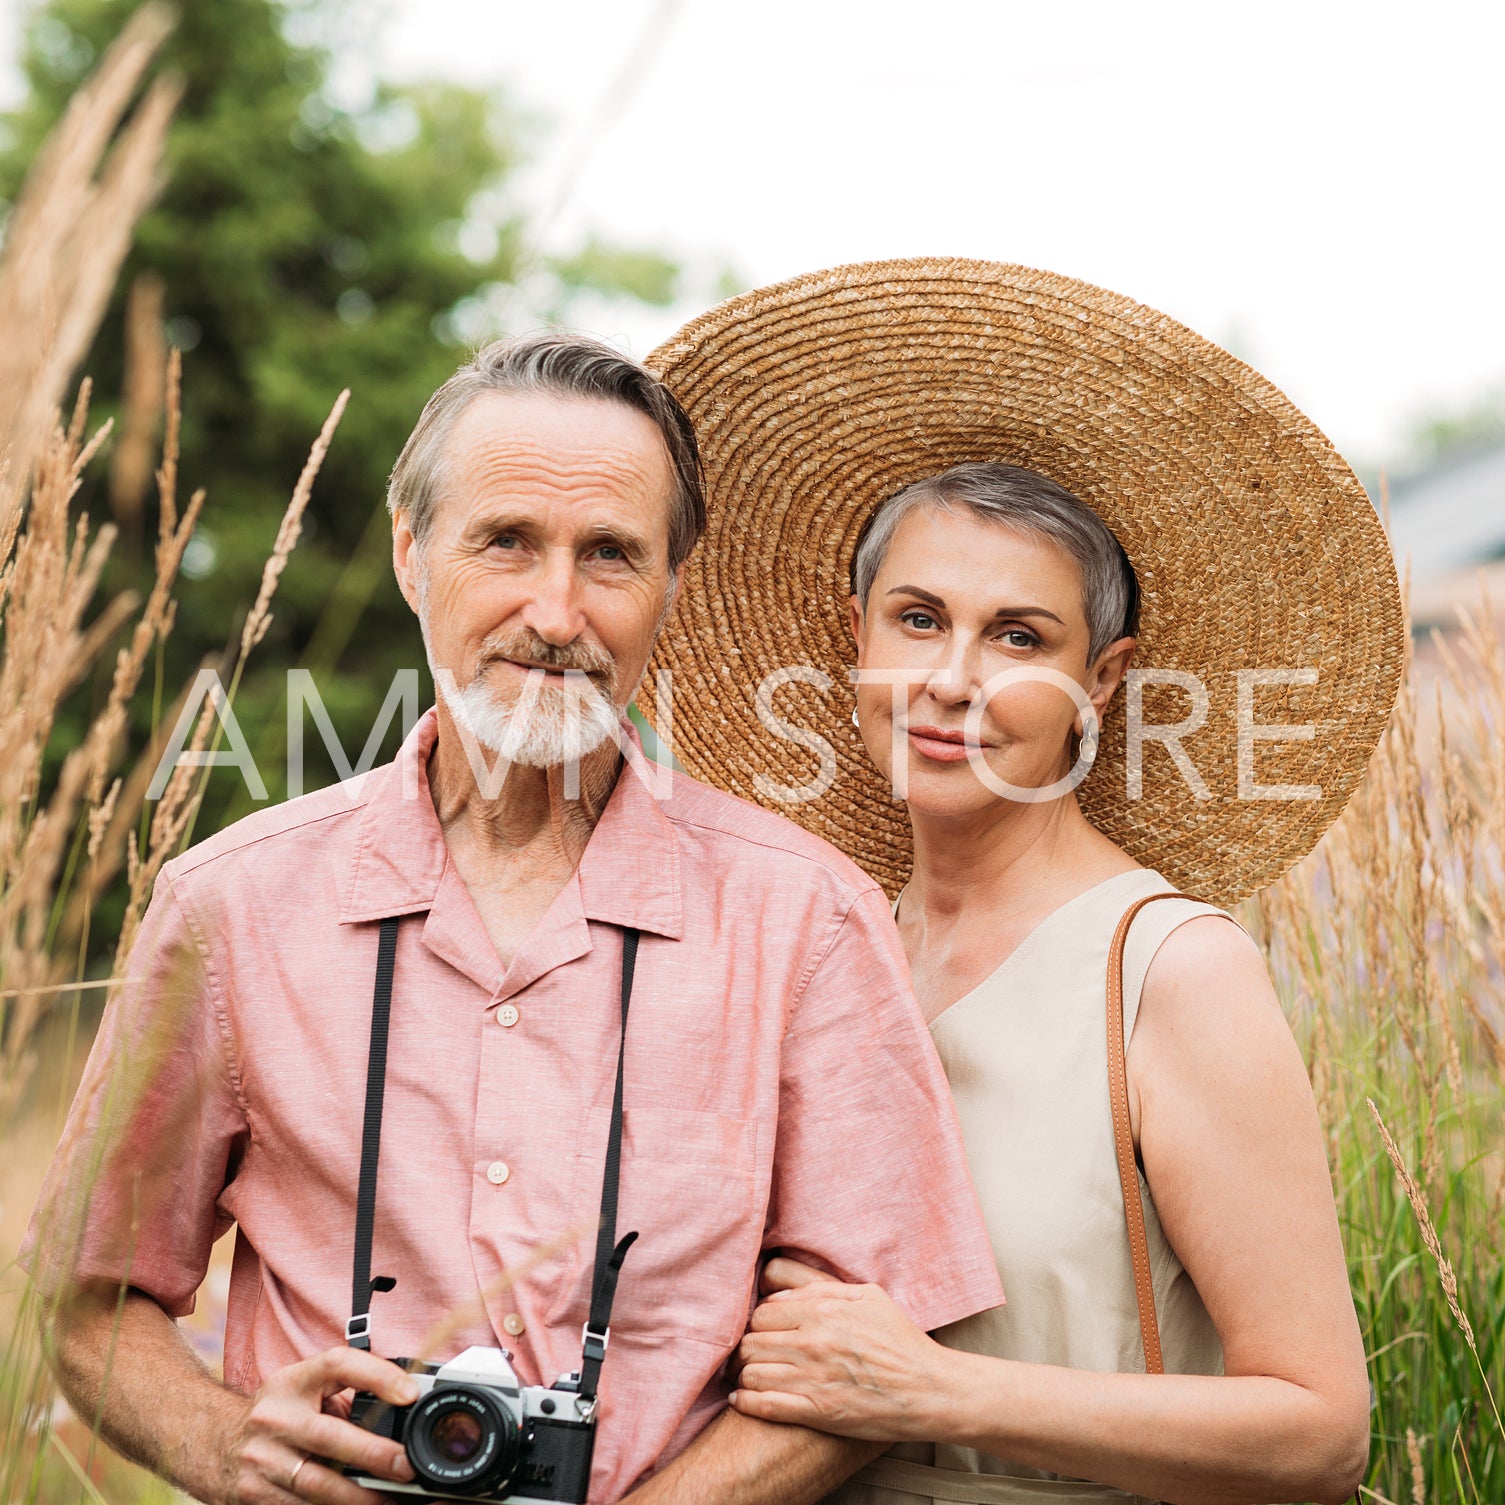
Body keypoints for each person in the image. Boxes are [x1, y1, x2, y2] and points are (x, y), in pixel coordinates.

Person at [22, 332, 1004, 1505]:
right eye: (505, 540)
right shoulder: (228, 904)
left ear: (671, 587)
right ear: (408, 551)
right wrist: (217, 1445)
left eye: (610, 555)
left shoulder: (808, 918)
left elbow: (873, 1356)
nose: (556, 609)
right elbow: (82, 1297)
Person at [639, 260, 1405, 1505]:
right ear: (855, 637)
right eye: (918, 617)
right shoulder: (823, 946)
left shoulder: (1166, 971)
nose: (951, 680)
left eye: (1018, 636)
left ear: (1101, 680)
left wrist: (933, 1394)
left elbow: (1317, 1432)